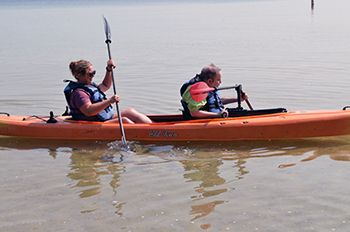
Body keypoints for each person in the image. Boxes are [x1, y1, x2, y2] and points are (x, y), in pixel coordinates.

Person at [64, 59, 152, 123]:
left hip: (105, 118)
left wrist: (109, 70)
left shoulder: (89, 86)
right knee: (124, 121)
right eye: (90, 74)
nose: (93, 76)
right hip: (96, 123)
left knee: (131, 112)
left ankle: (153, 127)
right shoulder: (80, 93)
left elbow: (105, 85)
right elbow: (88, 111)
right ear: (80, 75)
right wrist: (109, 101)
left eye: (94, 72)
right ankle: (146, 133)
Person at [180, 64, 248, 119]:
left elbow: (216, 102)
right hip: (200, 122)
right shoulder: (197, 90)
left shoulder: (207, 86)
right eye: (218, 80)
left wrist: (239, 99)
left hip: (214, 117)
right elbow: (194, 113)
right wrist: (217, 115)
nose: (220, 82)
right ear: (209, 81)